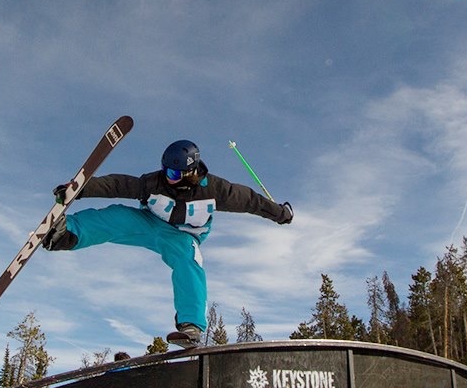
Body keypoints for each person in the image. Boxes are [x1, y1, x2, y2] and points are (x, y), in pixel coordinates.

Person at [42, 139, 294, 344]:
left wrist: (280, 213)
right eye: (166, 170)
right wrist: (81, 189)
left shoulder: (216, 190)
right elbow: (118, 184)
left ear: (190, 171)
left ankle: (191, 325)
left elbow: (252, 201)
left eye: (174, 173)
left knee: (188, 261)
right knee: (117, 216)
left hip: (183, 236)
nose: (169, 177)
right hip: (149, 223)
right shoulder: (153, 182)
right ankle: (66, 233)